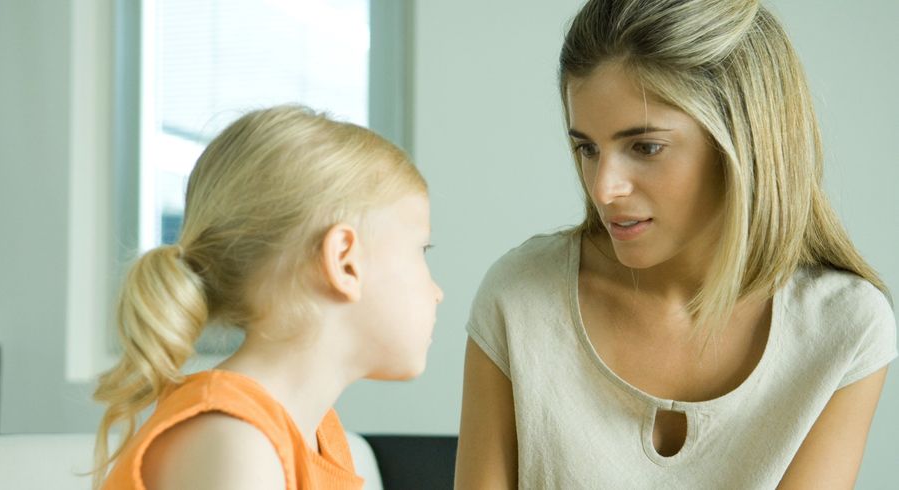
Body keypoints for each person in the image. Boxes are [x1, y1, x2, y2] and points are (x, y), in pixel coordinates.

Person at [455, 0, 896, 488]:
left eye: (645, 148)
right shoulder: (519, 299)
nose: (604, 188)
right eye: (587, 149)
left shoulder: (843, 327)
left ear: (743, 142)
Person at [90, 105, 444, 490]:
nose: (438, 292)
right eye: (421, 251)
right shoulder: (233, 439)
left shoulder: (319, 434)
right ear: (345, 262)